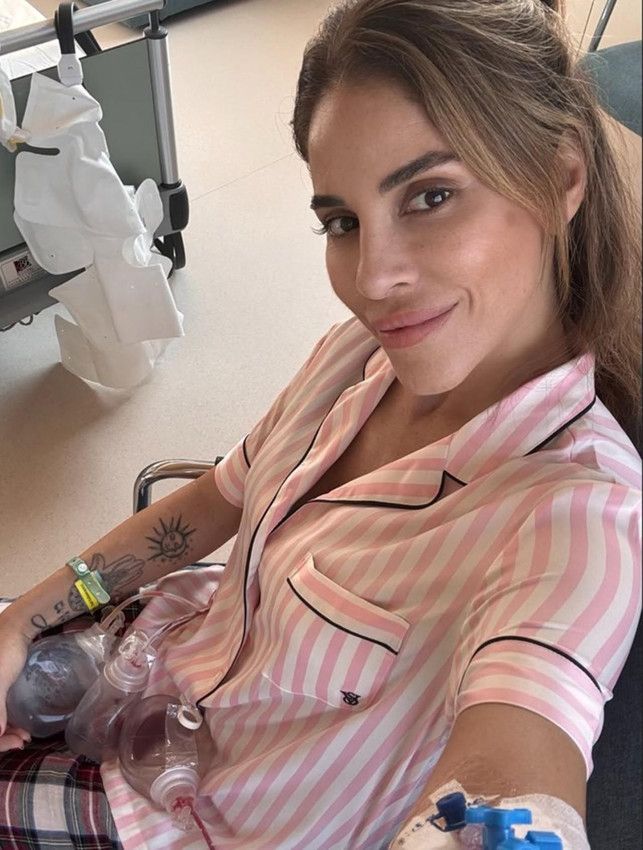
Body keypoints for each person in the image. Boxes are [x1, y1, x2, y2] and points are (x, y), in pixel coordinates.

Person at [1, 0, 641, 847]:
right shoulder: (357, 356)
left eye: (430, 196)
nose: (371, 280)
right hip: (148, 665)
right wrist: (25, 620)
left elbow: (521, 749)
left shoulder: (575, 516)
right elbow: (215, 501)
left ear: (561, 179)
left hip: (187, 822)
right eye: (342, 222)